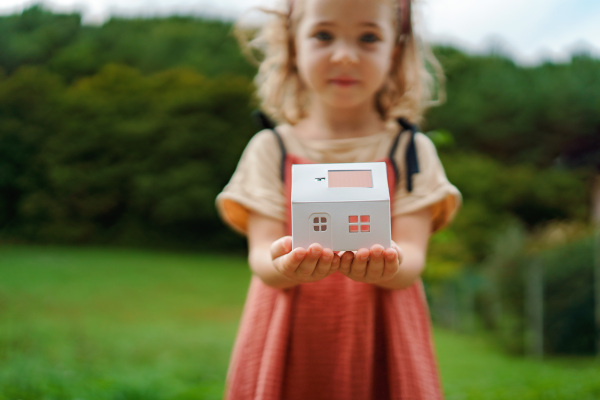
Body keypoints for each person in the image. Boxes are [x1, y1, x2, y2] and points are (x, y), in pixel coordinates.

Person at [216, 0, 461, 398]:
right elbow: (261, 256)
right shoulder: (270, 149)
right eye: (323, 35)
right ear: (294, 45)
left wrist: (386, 266)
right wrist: (286, 265)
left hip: (382, 338)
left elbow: (412, 259)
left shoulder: (410, 152)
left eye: (368, 37)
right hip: (289, 337)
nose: (345, 55)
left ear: (394, 52)